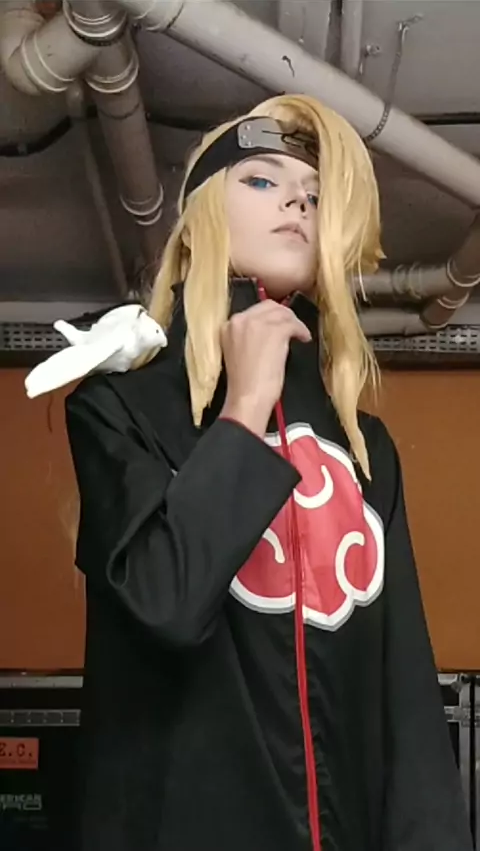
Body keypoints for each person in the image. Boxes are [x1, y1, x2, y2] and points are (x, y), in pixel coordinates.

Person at [32, 94, 471, 851]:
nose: (297, 204)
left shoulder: (365, 447)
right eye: (262, 181)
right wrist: (243, 411)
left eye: (312, 196)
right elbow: (165, 605)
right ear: (203, 214)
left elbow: (405, 692)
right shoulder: (120, 408)